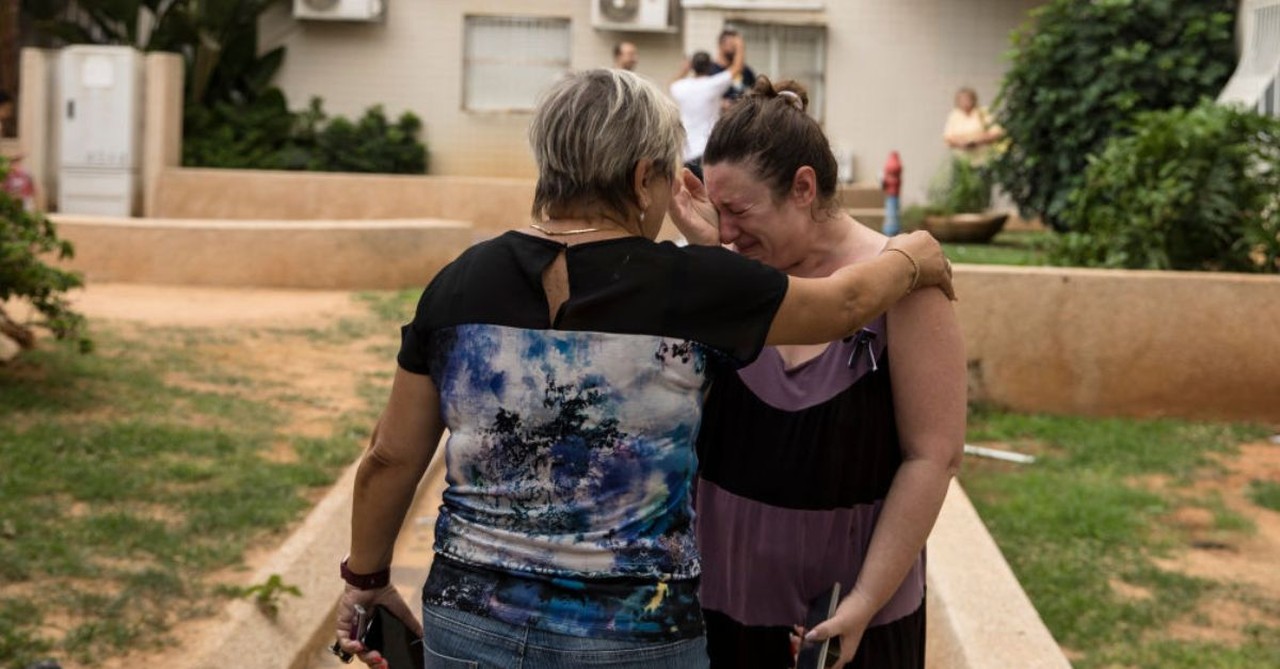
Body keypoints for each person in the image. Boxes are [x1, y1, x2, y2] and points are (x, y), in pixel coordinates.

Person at [332, 68, 954, 669]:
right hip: (635, 634)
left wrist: (366, 578)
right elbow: (841, 306)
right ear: (641, 179)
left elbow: (389, 457)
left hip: (468, 624)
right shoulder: (689, 288)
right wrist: (912, 257)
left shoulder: (459, 284)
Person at [671, 77, 966, 668]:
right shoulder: (728, 273)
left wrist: (863, 601)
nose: (727, 230)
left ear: (803, 187)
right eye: (717, 211)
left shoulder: (905, 284)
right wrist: (711, 255)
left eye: (740, 210)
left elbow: (933, 457)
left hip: (849, 626)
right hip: (719, 613)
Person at [670, 38, 744, 181]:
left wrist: (684, 69)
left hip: (686, 150)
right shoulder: (712, 85)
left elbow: (671, 83)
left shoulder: (681, 87)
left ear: (692, 67)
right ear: (710, 66)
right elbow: (736, 68)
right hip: (707, 148)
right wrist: (739, 46)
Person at [942, 87, 1003, 165]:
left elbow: (996, 132)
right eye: (961, 100)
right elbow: (948, 137)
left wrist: (978, 140)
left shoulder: (983, 113)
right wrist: (962, 143)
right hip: (962, 161)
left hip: (984, 160)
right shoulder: (954, 115)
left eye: (967, 99)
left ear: (973, 99)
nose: (964, 102)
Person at [708, 29, 757, 105]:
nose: (736, 49)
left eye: (737, 46)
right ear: (720, 45)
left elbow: (755, 91)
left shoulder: (746, 71)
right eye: (732, 44)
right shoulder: (710, 70)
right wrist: (721, 103)